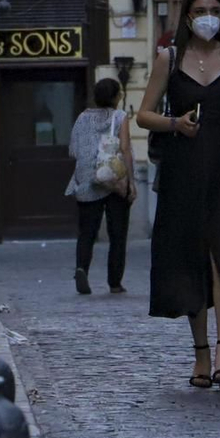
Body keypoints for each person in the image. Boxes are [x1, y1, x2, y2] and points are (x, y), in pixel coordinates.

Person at [140, 0, 220, 390]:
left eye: (214, 8)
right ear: (188, 17)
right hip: (183, 170)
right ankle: (201, 354)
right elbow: (143, 115)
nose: (208, 15)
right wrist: (175, 123)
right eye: (200, 9)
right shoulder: (169, 58)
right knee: (191, 257)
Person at [68, 78, 136, 294]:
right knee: (118, 233)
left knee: (87, 231)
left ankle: (81, 268)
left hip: (88, 179)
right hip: (114, 177)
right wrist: (131, 182)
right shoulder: (120, 116)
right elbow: (124, 148)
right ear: (116, 97)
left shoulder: (82, 118)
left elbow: (73, 150)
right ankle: (114, 282)